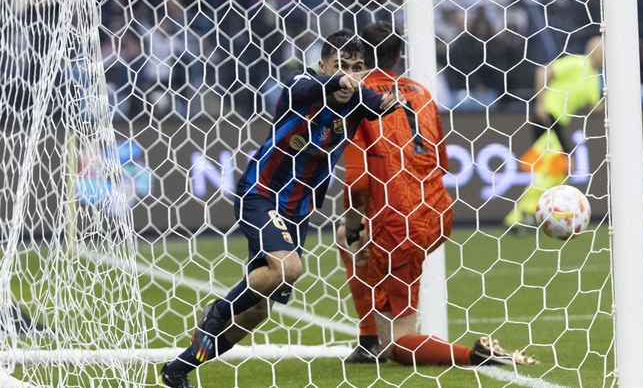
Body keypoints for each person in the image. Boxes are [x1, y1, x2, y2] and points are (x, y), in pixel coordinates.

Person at [158, 29, 405, 388]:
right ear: (322, 65)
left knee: (258, 309)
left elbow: (373, 101)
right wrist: (340, 81)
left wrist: (386, 102)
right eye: (340, 66)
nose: (348, 76)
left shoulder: (357, 101)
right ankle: (218, 310)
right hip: (261, 193)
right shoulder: (301, 85)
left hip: (297, 212)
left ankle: (177, 369)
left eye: (357, 68)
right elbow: (303, 88)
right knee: (289, 268)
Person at [337, 20, 537, 367]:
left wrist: (357, 224)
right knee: (350, 242)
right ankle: (369, 339)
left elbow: (357, 182)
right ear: (398, 56)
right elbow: (440, 162)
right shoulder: (421, 92)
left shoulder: (358, 98)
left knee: (396, 342)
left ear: (359, 58)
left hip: (397, 222)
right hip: (435, 210)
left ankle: (473, 354)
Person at [505, 36, 604, 232]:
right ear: (595, 51)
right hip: (547, 116)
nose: (606, 58)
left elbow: (594, 111)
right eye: (604, 53)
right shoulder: (577, 63)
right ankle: (518, 217)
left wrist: (611, 99)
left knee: (559, 170)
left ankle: (537, 215)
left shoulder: (595, 78)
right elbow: (542, 71)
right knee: (556, 168)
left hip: (558, 122)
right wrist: (540, 102)